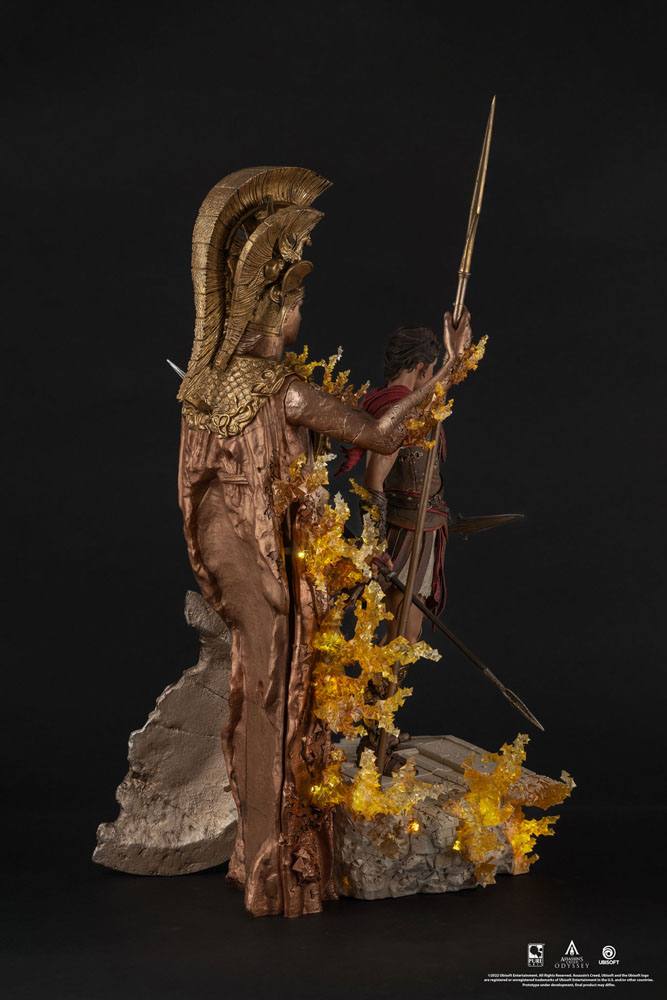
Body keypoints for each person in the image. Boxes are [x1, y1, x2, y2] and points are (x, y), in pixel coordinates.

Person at [177, 167, 472, 917]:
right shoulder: (279, 389)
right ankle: (281, 868)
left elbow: (196, 494)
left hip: (239, 571)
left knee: (254, 692)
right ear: (271, 309)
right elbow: (380, 434)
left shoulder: (205, 388)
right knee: (279, 698)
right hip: (276, 572)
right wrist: (447, 375)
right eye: (296, 303)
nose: (299, 314)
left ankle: (256, 858)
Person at [338, 322, 456, 643]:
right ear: (420, 368)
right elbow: (373, 480)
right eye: (429, 371)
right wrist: (376, 546)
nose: (430, 381)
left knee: (404, 634)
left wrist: (454, 358)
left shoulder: (395, 403)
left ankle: (383, 675)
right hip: (408, 532)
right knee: (404, 635)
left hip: (423, 526)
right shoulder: (398, 411)